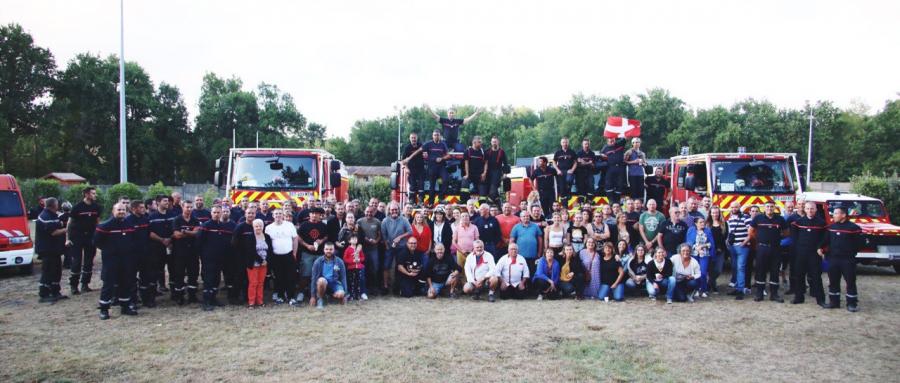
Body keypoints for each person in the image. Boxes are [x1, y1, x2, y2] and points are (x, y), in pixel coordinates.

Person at [94, 203, 138, 319]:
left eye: (123, 210)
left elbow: (133, 240)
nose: (121, 212)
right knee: (108, 285)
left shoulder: (130, 225)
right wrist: (110, 250)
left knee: (126, 283)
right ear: (113, 211)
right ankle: (104, 309)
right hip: (111, 260)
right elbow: (97, 242)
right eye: (119, 210)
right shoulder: (105, 226)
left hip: (126, 259)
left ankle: (125, 306)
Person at [819, 206, 864, 312]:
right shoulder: (831, 227)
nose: (833, 215)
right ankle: (834, 302)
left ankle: (851, 304)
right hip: (833, 259)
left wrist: (851, 253)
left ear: (843, 215)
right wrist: (820, 248)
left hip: (847, 260)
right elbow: (825, 241)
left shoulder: (854, 228)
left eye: (835, 213)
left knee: (850, 281)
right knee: (833, 281)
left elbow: (859, 244)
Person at [749, 201, 788, 302]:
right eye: (767, 206)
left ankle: (774, 294)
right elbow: (751, 231)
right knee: (760, 271)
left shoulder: (780, 219)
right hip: (762, 248)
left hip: (776, 248)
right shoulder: (758, 218)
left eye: (771, 206)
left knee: (775, 271)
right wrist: (759, 239)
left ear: (774, 208)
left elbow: (786, 232)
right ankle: (759, 294)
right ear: (764, 208)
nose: (769, 208)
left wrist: (777, 238)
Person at [790, 202, 827, 307]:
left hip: (814, 254)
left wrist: (820, 248)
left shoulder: (821, 223)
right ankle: (799, 297)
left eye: (812, 209)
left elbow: (824, 238)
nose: (810, 211)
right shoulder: (798, 222)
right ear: (804, 209)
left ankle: (820, 300)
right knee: (799, 276)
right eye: (808, 208)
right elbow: (795, 238)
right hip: (801, 253)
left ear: (815, 210)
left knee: (816, 276)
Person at [66, 186, 101, 294]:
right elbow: (69, 223)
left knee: (89, 261)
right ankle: (74, 286)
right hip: (77, 236)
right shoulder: (77, 207)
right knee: (76, 262)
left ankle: (85, 284)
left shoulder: (97, 207)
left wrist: (98, 236)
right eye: (93, 193)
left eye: (95, 193)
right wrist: (67, 238)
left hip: (90, 237)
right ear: (86, 194)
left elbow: (97, 222)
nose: (95, 195)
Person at [196, 205, 231, 310]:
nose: (216, 214)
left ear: (221, 213)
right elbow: (199, 241)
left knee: (216, 279)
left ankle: (213, 299)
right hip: (208, 258)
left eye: (218, 212)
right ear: (211, 213)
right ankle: (206, 302)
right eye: (214, 212)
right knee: (208, 279)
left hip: (220, 258)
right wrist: (202, 255)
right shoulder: (206, 226)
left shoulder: (223, 226)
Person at [35, 197, 68, 303]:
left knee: (57, 270)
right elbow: (54, 232)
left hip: (54, 249)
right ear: (53, 205)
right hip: (47, 249)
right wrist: (67, 230)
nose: (58, 205)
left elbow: (58, 222)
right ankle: (44, 294)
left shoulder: (53, 215)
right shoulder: (45, 216)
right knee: (48, 271)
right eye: (57, 204)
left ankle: (55, 291)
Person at [265, 209, 300, 306]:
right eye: (276, 214)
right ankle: (280, 296)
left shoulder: (289, 225)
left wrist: (295, 252)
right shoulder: (268, 228)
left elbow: (295, 239)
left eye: (280, 213)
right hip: (275, 256)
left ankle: (291, 297)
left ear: (283, 215)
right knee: (278, 277)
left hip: (289, 255)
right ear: (273, 215)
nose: (278, 215)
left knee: (290, 277)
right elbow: (267, 243)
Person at [170, 200, 201, 305]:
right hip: (179, 252)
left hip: (193, 252)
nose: (189, 209)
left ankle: (192, 295)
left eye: (191, 207)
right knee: (179, 274)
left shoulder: (195, 220)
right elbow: (176, 235)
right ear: (182, 207)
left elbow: (197, 233)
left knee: (193, 274)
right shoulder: (177, 220)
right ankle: (180, 296)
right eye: (187, 207)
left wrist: (185, 232)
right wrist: (190, 233)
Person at [298, 207, 329, 301]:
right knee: (305, 274)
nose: (314, 215)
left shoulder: (323, 225)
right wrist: (307, 245)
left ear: (320, 215)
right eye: (312, 213)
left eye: (316, 214)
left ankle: (319, 293)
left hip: (320, 254)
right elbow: (298, 237)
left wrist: (321, 241)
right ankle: (301, 292)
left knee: (320, 274)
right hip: (307, 253)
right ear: (309, 215)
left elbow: (327, 236)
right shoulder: (304, 225)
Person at [148, 195, 176, 295]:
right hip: (157, 247)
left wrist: (170, 239)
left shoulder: (172, 215)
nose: (167, 203)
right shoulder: (151, 217)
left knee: (173, 268)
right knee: (157, 269)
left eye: (168, 201)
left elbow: (176, 229)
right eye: (164, 201)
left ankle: (174, 292)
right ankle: (155, 290)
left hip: (171, 246)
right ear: (158, 202)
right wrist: (162, 240)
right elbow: (150, 232)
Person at [125, 200, 150, 308]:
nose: (143, 209)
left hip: (144, 253)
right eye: (141, 208)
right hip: (132, 254)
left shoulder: (145, 219)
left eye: (143, 207)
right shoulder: (128, 221)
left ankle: (146, 299)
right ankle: (132, 301)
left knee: (145, 277)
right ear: (134, 209)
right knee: (131, 278)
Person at [726, 201, 752, 300]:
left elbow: (751, 232)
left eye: (736, 207)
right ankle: (737, 288)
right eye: (732, 207)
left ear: (739, 207)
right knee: (735, 268)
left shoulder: (746, 217)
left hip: (742, 247)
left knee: (741, 268)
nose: (734, 209)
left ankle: (740, 290)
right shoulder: (730, 218)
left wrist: (744, 242)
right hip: (733, 247)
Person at [243, 219, 272, 308]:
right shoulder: (250, 237)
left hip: (264, 264)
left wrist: (266, 260)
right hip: (253, 263)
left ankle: (260, 301)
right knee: (253, 283)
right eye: (256, 226)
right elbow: (250, 251)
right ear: (253, 227)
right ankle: (251, 302)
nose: (258, 227)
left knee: (261, 283)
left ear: (263, 227)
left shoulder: (267, 236)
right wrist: (261, 260)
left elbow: (270, 249)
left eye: (260, 226)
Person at [310, 242, 347, 309]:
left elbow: (343, 278)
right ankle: (320, 299)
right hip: (323, 283)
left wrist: (345, 294)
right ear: (324, 250)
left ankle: (329, 296)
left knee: (341, 294)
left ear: (334, 250)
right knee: (321, 281)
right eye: (326, 249)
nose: (328, 251)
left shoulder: (339, 261)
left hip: (334, 283)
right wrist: (312, 296)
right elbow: (313, 279)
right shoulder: (318, 262)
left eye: (331, 249)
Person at [686, 216, 716, 298]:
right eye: (700, 222)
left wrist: (703, 246)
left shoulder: (707, 231)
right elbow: (688, 242)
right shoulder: (691, 230)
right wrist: (696, 247)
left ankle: (703, 289)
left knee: (703, 272)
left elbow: (711, 243)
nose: (703, 223)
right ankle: (696, 289)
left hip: (704, 254)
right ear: (696, 223)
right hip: (694, 254)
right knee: (695, 272)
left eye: (703, 222)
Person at [422, 130, 451, 205]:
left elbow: (448, 155)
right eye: (435, 135)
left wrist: (442, 158)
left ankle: (441, 198)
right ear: (432, 136)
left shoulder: (443, 144)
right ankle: (431, 202)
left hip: (441, 166)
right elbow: (420, 150)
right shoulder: (428, 144)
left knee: (446, 179)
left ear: (440, 136)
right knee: (432, 185)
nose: (436, 136)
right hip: (432, 167)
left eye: (437, 135)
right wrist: (424, 154)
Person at [357, 206, 382, 294]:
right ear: (364, 211)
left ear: (374, 212)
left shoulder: (377, 222)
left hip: (373, 249)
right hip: (363, 249)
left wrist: (376, 241)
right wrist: (365, 239)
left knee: (375, 268)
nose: (369, 214)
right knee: (364, 268)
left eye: (371, 212)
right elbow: (357, 234)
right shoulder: (359, 221)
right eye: (367, 212)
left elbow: (380, 235)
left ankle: (374, 287)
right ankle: (364, 288)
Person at [400, 132, 426, 205]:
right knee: (412, 185)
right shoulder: (407, 148)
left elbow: (426, 153)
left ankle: (421, 200)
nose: (413, 139)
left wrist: (426, 154)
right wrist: (406, 168)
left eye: (414, 138)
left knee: (421, 185)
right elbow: (403, 161)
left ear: (417, 138)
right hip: (411, 170)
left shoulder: (421, 145)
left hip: (421, 170)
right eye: (412, 138)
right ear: (410, 139)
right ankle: (412, 200)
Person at [707, 206, 728, 293]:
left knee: (718, 270)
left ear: (719, 213)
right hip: (710, 250)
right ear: (710, 213)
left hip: (721, 250)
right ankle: (713, 285)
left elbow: (726, 236)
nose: (715, 214)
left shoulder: (724, 224)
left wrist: (720, 247)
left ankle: (711, 282)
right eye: (713, 212)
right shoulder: (707, 224)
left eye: (716, 212)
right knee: (710, 269)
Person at [600, 136, 626, 202]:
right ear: (607, 141)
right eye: (610, 140)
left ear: (615, 140)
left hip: (620, 168)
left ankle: (617, 200)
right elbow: (600, 157)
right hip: (610, 168)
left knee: (620, 184)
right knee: (609, 184)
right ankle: (611, 201)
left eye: (613, 140)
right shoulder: (605, 148)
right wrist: (602, 156)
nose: (612, 141)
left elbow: (625, 138)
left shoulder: (619, 144)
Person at [342, 234, 366, 301]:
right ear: (349, 241)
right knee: (351, 282)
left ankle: (358, 296)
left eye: (355, 238)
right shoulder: (348, 249)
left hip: (358, 267)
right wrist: (352, 261)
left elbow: (363, 257)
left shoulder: (359, 249)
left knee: (358, 282)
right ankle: (351, 296)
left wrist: (359, 260)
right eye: (353, 239)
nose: (355, 240)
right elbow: (345, 259)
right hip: (351, 268)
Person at [464, 135, 488, 201]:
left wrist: (484, 173)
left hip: (480, 176)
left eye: (481, 142)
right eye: (479, 142)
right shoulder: (468, 151)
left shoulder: (483, 152)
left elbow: (486, 163)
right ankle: (464, 201)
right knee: (464, 182)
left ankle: (482, 204)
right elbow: (466, 163)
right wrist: (467, 174)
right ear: (474, 142)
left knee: (483, 191)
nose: (481, 144)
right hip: (471, 174)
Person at [624, 137, 646, 202]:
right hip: (632, 174)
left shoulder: (642, 153)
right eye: (635, 142)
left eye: (638, 142)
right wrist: (634, 162)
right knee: (633, 191)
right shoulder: (629, 152)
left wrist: (643, 163)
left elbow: (645, 163)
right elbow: (624, 161)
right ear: (632, 144)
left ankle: (641, 205)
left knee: (641, 190)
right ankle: (633, 204)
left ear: (640, 143)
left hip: (641, 174)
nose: (636, 144)